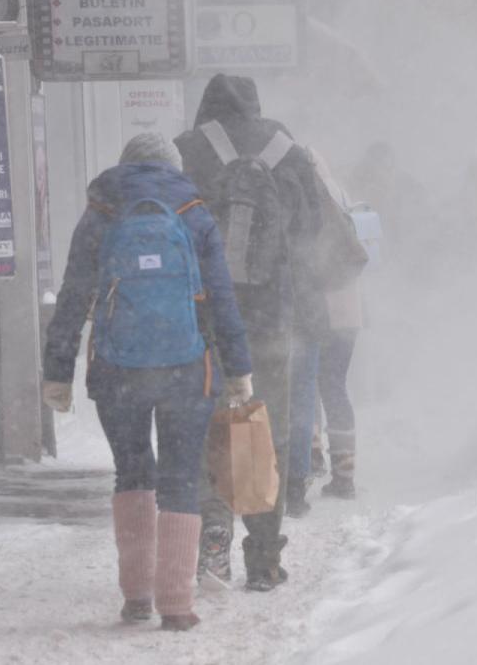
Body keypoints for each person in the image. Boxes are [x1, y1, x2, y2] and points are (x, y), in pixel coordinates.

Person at [41, 133, 253, 631]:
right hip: (187, 367)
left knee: (132, 473)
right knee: (180, 479)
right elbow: (222, 298)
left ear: (127, 166)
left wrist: (57, 370)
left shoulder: (101, 210)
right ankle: (176, 604)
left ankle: (136, 596)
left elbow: (74, 295)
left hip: (117, 368)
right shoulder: (195, 212)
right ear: (172, 168)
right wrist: (239, 367)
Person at [175, 74, 332, 591]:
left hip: (204, 318)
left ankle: (213, 534)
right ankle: (264, 556)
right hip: (271, 315)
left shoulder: (189, 149)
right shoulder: (286, 148)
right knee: (267, 430)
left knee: (208, 423)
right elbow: (314, 232)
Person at [286, 150, 364, 515]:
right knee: (335, 385)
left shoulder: (304, 198)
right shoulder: (343, 196)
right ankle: (345, 474)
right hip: (349, 308)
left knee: (306, 382)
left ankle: (312, 457)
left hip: (319, 304)